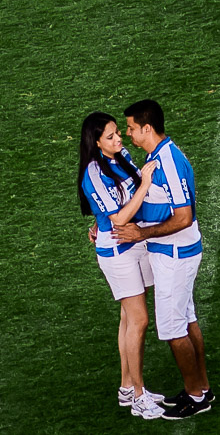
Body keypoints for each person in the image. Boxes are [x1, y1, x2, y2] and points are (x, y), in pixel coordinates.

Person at [112, 99, 215, 419]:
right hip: (174, 254)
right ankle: (202, 388)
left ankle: (196, 396)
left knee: (173, 330)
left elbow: (184, 217)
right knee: (187, 320)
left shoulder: (168, 161)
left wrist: (141, 234)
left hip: (175, 257)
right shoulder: (159, 155)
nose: (128, 133)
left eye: (130, 128)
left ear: (147, 128)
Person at [76, 112, 166, 420]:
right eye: (112, 136)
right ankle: (140, 396)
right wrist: (146, 183)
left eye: (118, 133)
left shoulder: (121, 155)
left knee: (129, 316)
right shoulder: (93, 172)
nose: (120, 139)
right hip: (118, 252)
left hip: (135, 243)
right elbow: (117, 218)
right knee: (139, 321)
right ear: (96, 142)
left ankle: (128, 387)